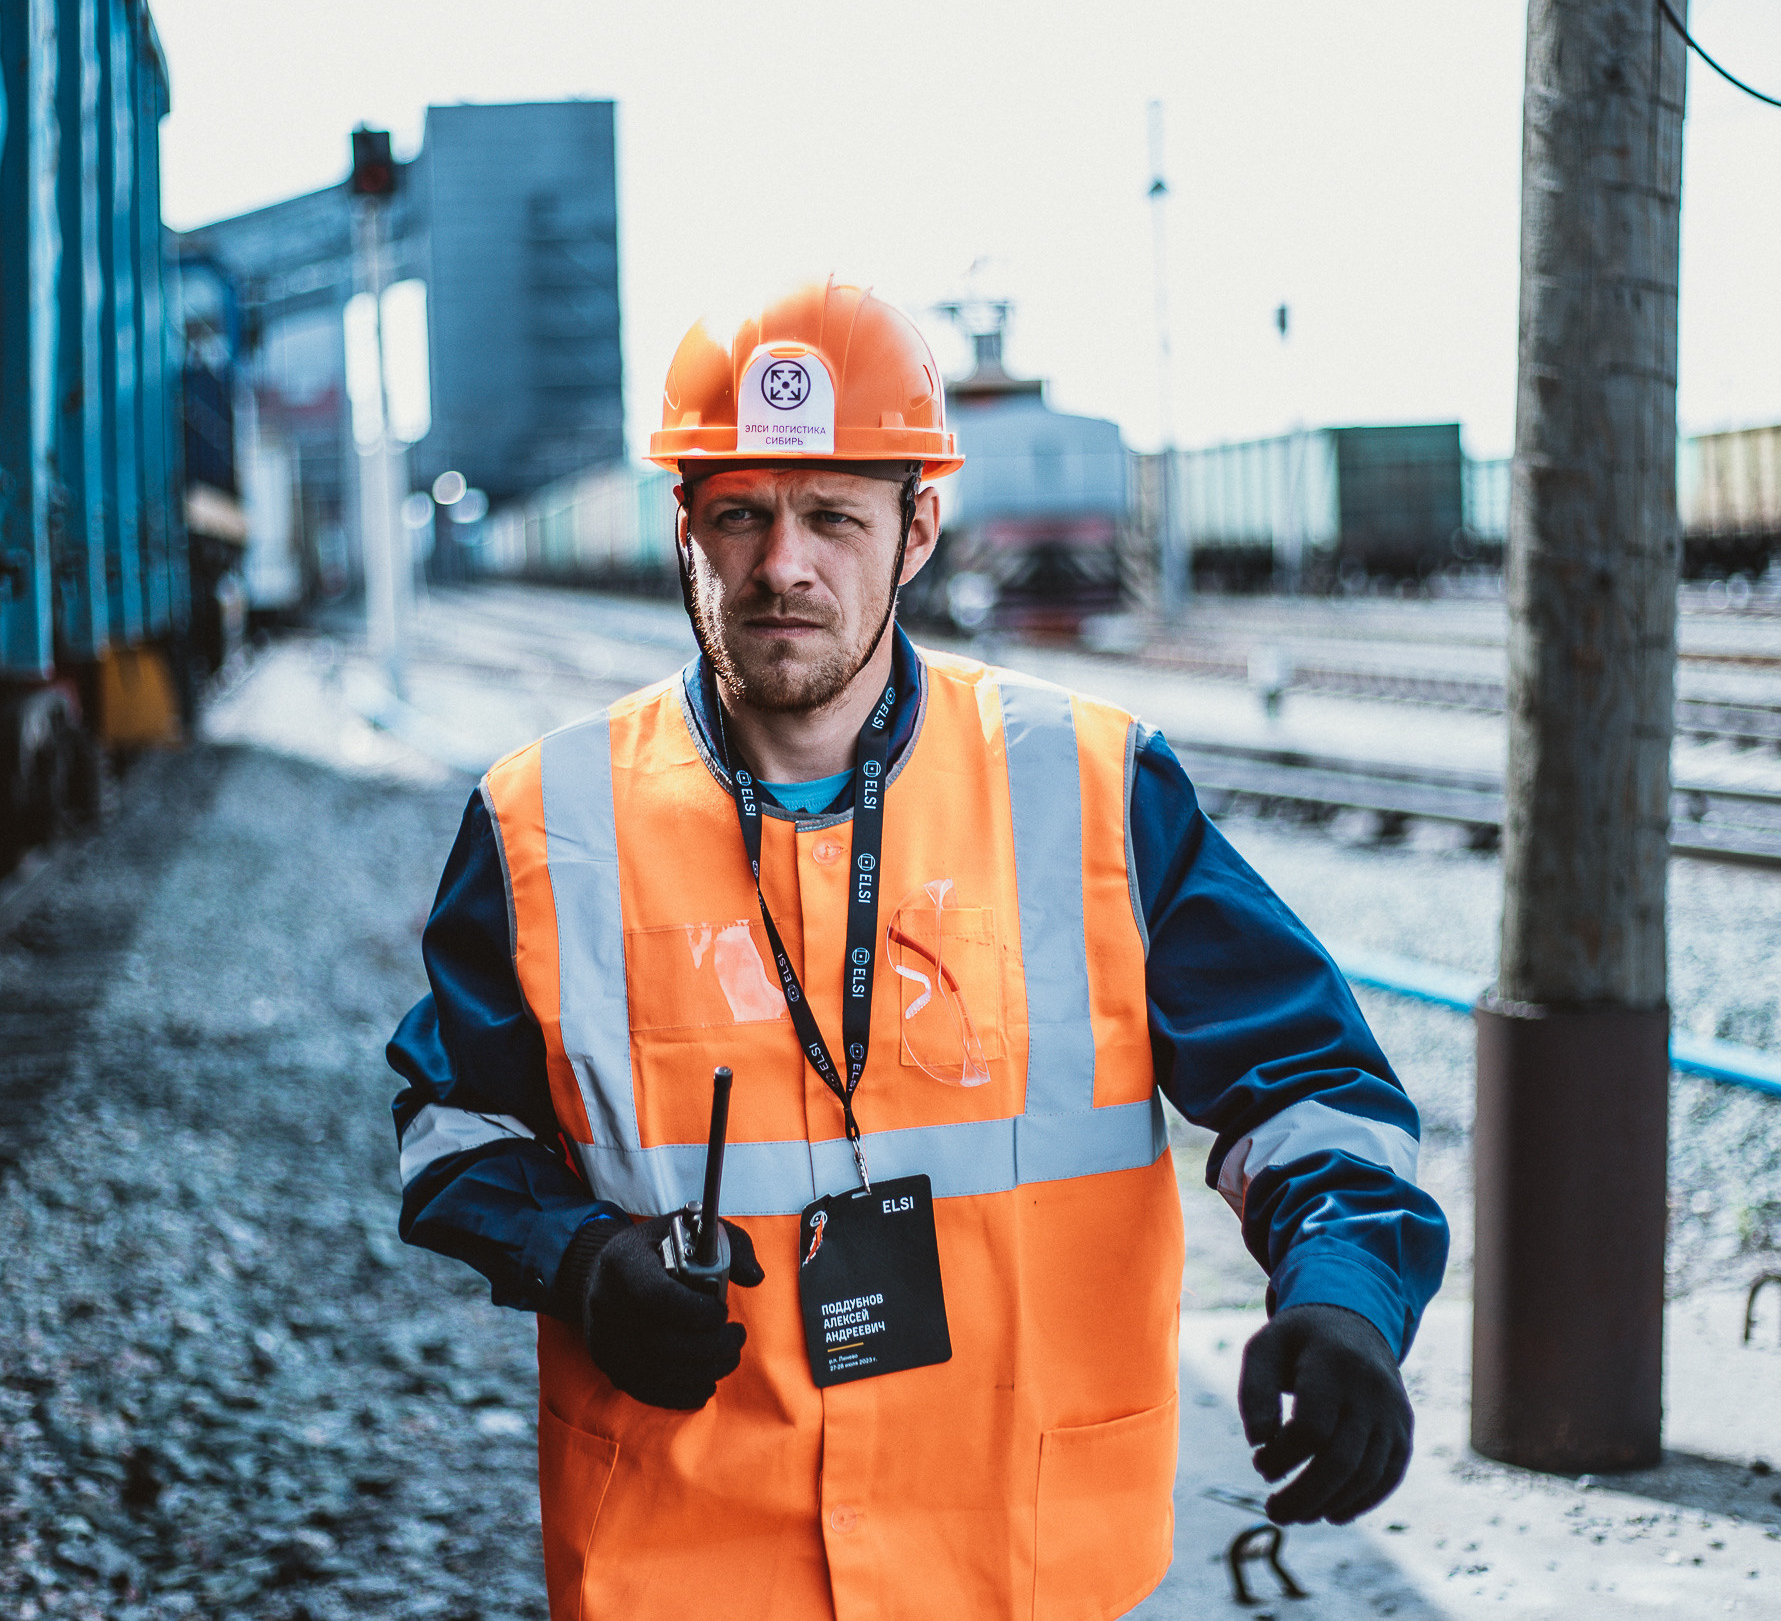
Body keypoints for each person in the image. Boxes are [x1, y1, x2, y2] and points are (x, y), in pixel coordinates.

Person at [387, 277, 1447, 1621]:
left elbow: (1311, 1089)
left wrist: (1346, 1294)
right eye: (741, 516)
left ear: (917, 528)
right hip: (690, 1564)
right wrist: (582, 1261)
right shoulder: (544, 820)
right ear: (684, 529)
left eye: (834, 515)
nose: (785, 565)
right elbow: (450, 1131)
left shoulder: (1093, 787)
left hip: (1021, 1569)